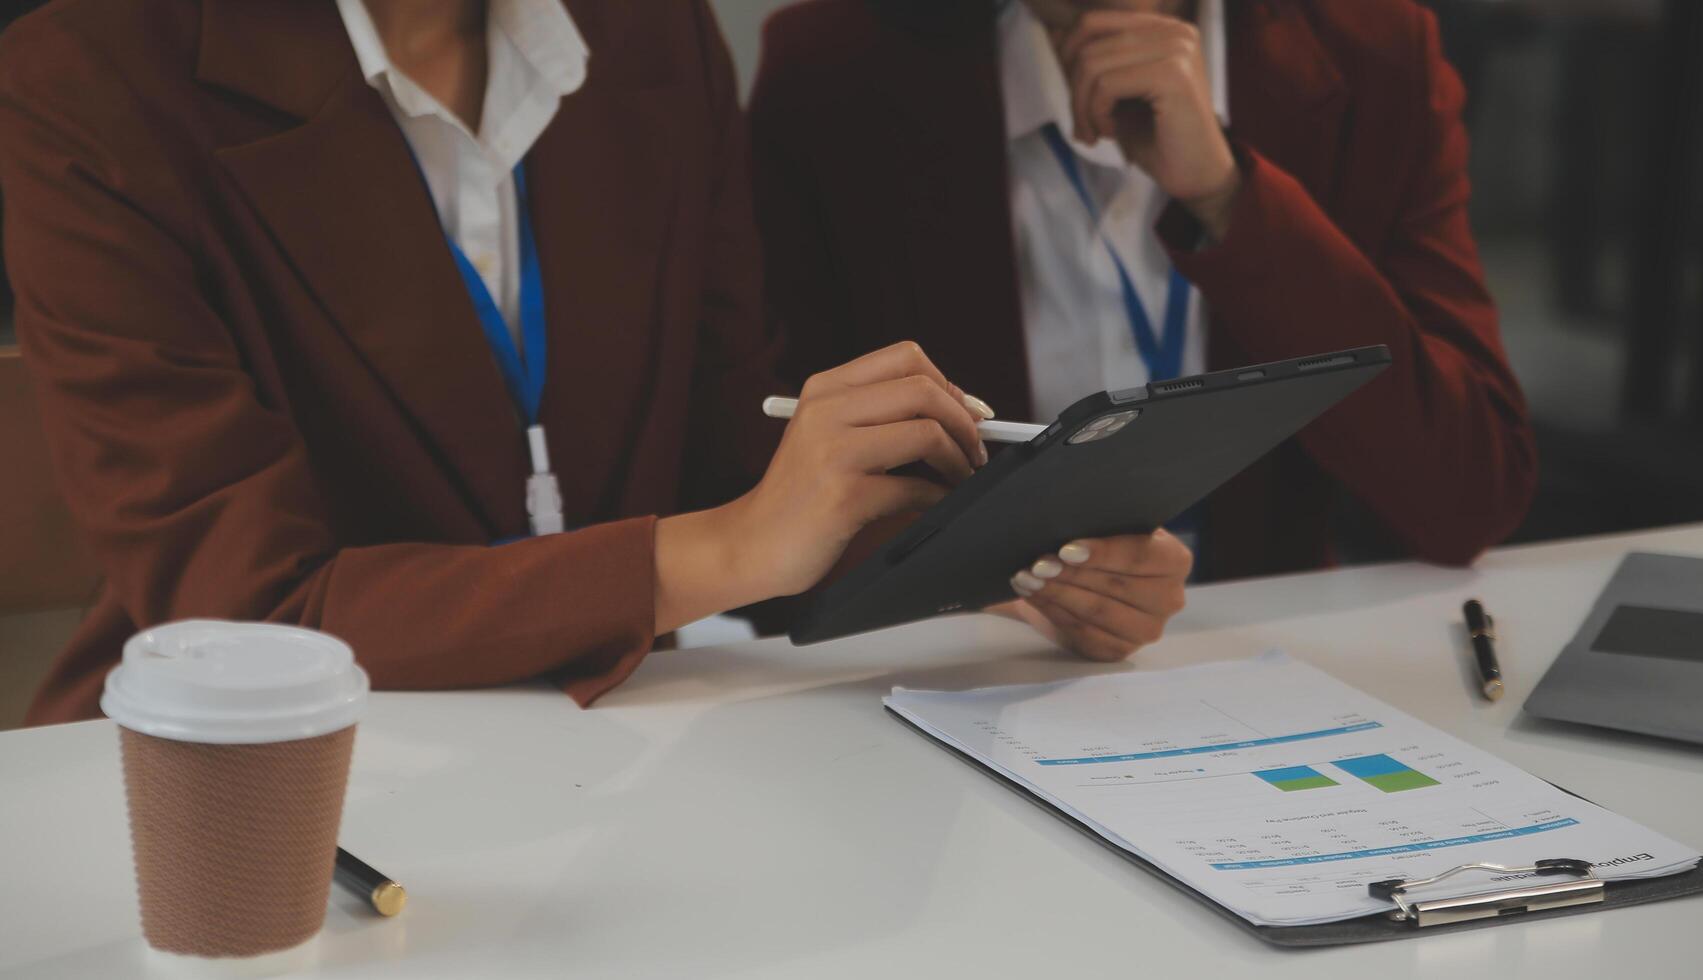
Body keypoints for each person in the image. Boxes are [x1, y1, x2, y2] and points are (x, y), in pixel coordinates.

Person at [0, 0, 1190, 726]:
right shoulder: (83, 83)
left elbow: (743, 447)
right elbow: (252, 604)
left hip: (614, 756)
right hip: (270, 785)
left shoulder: (647, 31)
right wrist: (720, 547)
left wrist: (1023, 551)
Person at [750, 0, 1538, 582]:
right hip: (970, 673)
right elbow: (760, 485)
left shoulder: (1373, 52)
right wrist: (993, 602)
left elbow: (1470, 492)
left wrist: (1232, 200)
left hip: (1260, 665)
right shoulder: (834, 67)